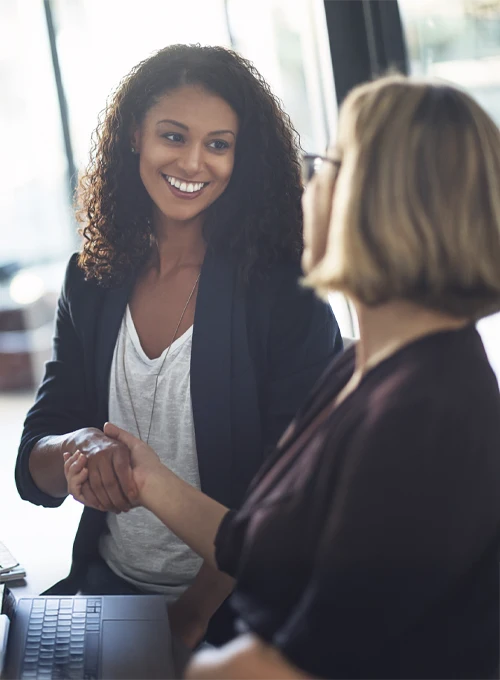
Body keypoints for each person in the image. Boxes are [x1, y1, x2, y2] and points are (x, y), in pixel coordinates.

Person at [67, 74, 500, 679]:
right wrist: (148, 478)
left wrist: (173, 659)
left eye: (329, 167)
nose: (308, 188)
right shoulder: (363, 367)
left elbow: (301, 663)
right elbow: (262, 553)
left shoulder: (430, 412)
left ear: (383, 204)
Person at [16, 44, 341, 647]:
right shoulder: (90, 279)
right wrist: (76, 447)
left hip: (239, 615)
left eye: (219, 144)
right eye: (174, 136)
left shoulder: (286, 294)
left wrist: (190, 615)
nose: (195, 162)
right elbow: (34, 455)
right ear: (135, 135)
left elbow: (286, 502)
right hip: (107, 591)